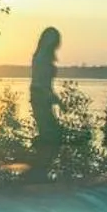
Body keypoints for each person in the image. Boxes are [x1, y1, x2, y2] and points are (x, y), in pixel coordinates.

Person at [28, 26, 63, 178]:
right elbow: (39, 82)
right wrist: (49, 96)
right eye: (51, 38)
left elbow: (46, 83)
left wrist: (56, 100)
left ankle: (39, 171)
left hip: (44, 97)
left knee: (51, 135)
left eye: (55, 39)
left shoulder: (46, 55)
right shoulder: (41, 56)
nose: (53, 42)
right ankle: (37, 172)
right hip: (40, 97)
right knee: (51, 136)